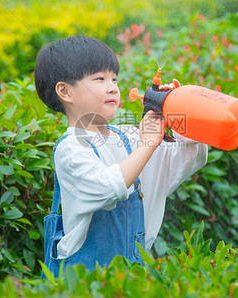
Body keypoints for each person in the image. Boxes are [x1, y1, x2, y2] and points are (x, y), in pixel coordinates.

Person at [34, 36, 208, 278]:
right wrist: (147, 142)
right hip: (85, 292)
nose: (113, 86)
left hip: (135, 282)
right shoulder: (70, 149)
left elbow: (187, 157)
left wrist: (178, 109)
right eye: (99, 79)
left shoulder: (128, 137)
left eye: (114, 78)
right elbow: (109, 187)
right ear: (65, 92)